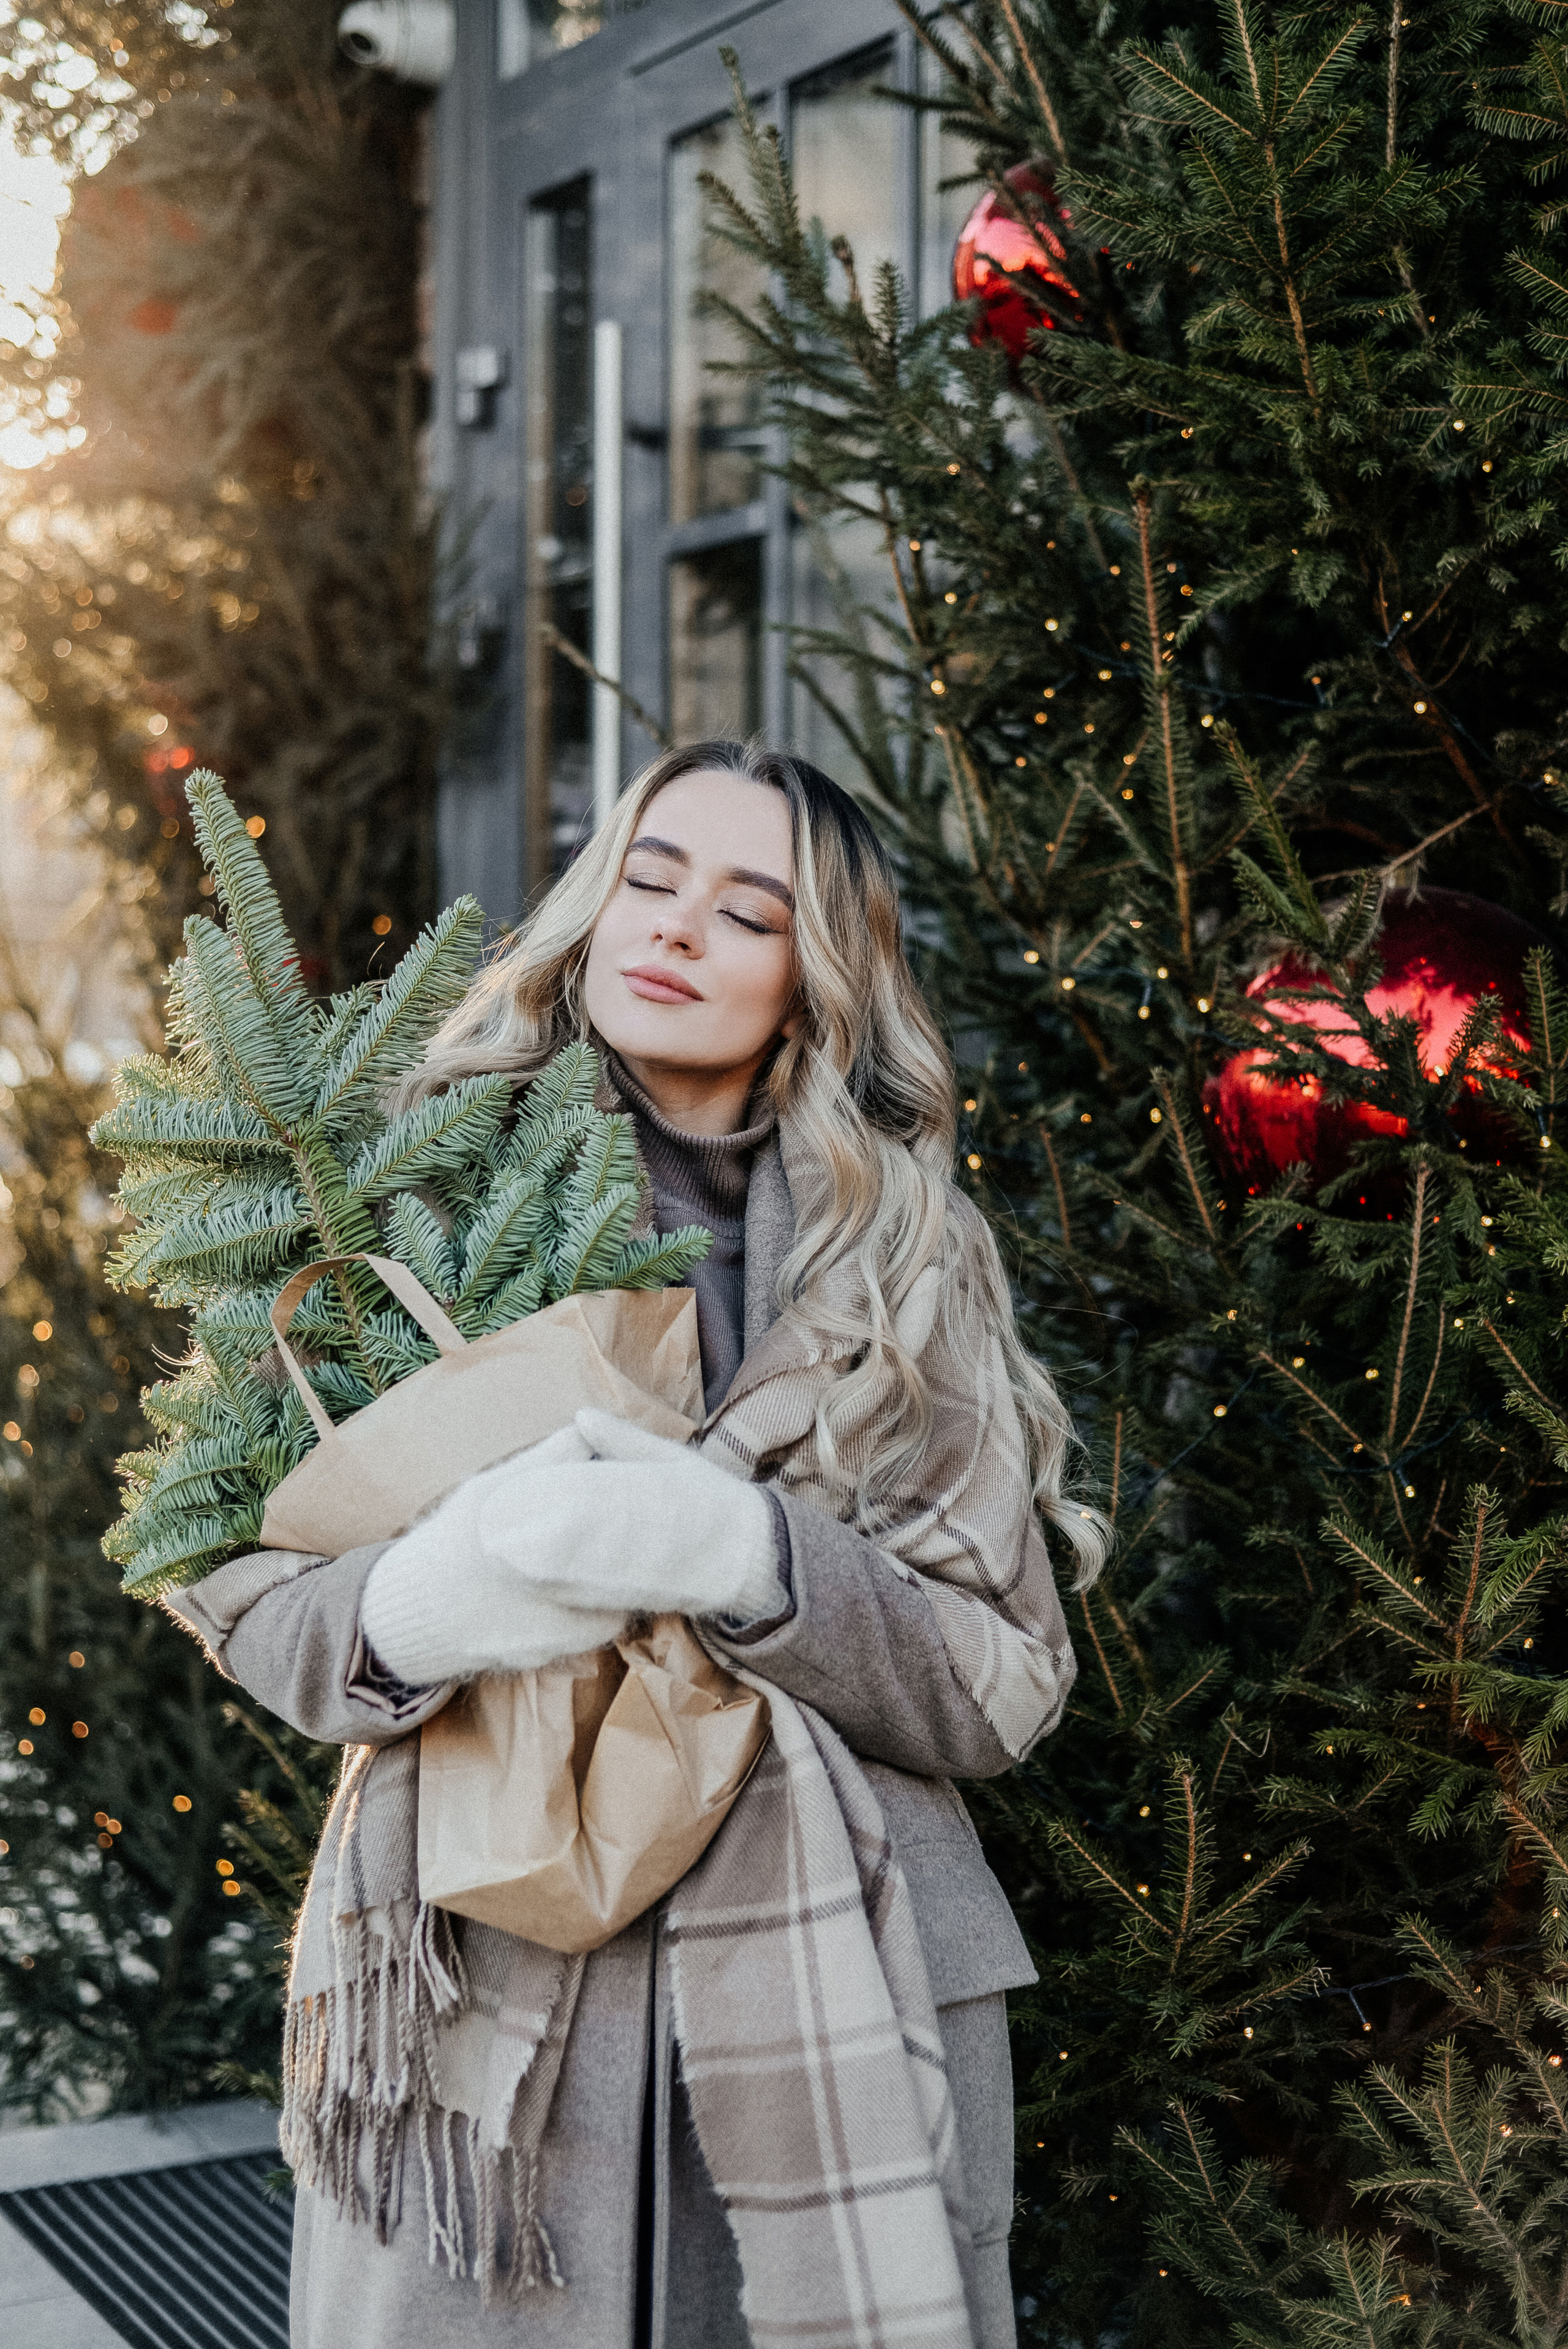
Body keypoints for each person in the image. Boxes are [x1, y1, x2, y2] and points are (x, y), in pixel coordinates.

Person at [164, 741, 1106, 2349]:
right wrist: (421, 1601)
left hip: (844, 2002)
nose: (676, 928)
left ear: (812, 982)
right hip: (488, 1993)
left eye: (748, 911)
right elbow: (212, 1554)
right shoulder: (397, 1190)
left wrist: (748, 1556)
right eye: (651, 878)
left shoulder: (911, 1262)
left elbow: (1001, 1680)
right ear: (596, 906)